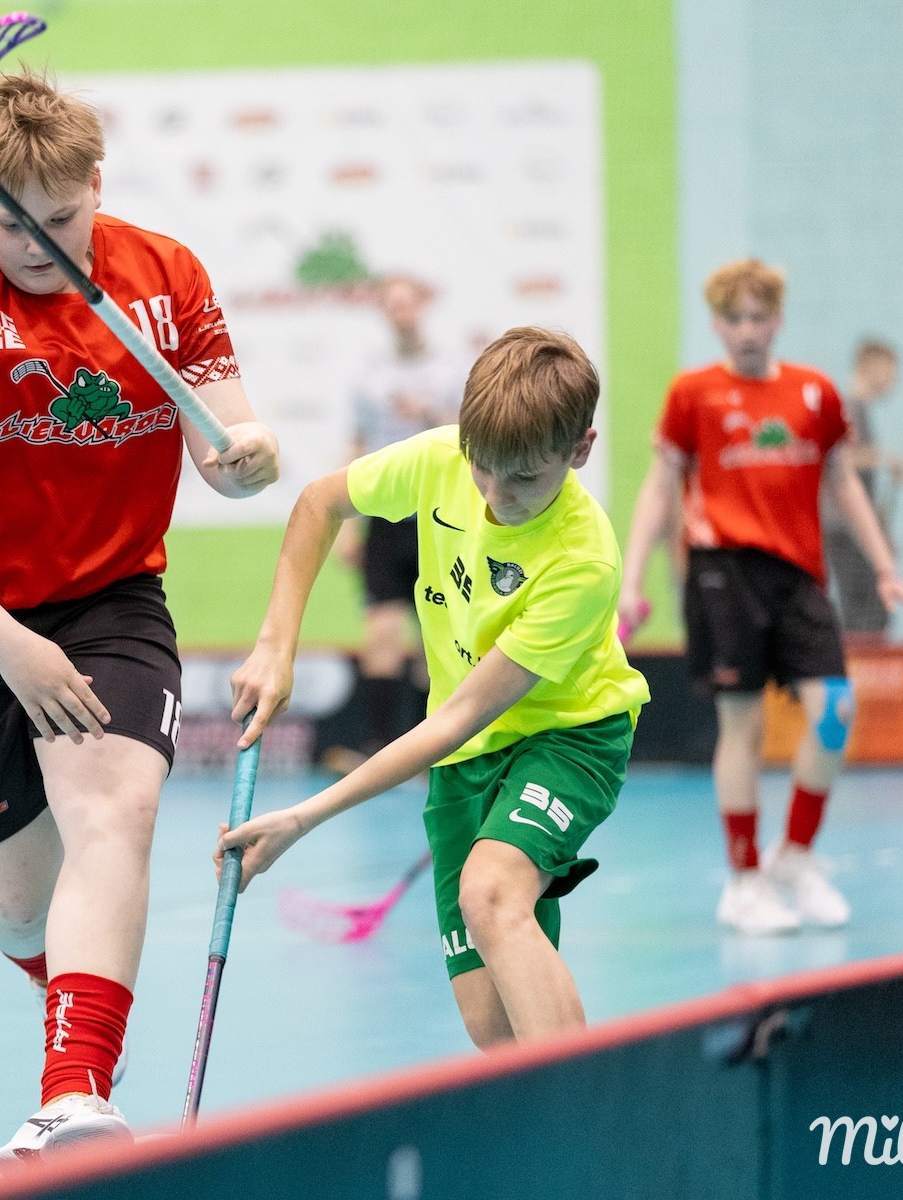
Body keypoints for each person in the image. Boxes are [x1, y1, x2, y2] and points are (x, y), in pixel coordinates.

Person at [0, 72, 279, 1168]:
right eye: (9, 223)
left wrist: (248, 458)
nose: (37, 244)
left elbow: (226, 445)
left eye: (61, 218)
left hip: (108, 599)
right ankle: (76, 1001)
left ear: (96, 182)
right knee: (16, 906)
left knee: (114, 812)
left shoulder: (166, 278)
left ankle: (74, 1091)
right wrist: (8, 644)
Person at [222, 327, 647, 1048]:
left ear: (580, 449)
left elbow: (453, 720)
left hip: (567, 737)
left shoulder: (583, 561)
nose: (496, 497)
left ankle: (589, 1101)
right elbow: (319, 504)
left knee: (491, 893)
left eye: (524, 478)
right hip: (466, 754)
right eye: (484, 469)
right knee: (490, 1027)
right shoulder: (441, 457)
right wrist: (275, 645)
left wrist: (301, 818)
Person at [619, 260, 903, 936]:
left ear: (778, 320)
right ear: (717, 324)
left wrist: (884, 568)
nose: (748, 330)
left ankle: (796, 855)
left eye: (759, 317)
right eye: (735, 318)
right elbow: (660, 488)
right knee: (744, 729)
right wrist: (632, 578)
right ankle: (743, 880)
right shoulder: (692, 393)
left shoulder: (815, 393)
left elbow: (843, 483)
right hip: (722, 573)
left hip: (798, 578)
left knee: (835, 710)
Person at [320, 274, 465, 775]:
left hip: (438, 517)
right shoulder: (371, 377)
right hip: (386, 519)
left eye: (409, 304)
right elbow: (358, 447)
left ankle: (433, 750)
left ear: (422, 305)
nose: (402, 313)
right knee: (381, 630)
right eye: (393, 306)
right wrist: (346, 525)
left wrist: (428, 413)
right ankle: (378, 749)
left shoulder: (451, 370)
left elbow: (472, 436)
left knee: (434, 636)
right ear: (384, 312)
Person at [823, 339, 903, 641]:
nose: (893, 380)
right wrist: (885, 460)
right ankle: (860, 665)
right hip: (844, 529)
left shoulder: (861, 411)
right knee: (862, 610)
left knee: (874, 609)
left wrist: (882, 533)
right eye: (890, 371)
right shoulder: (848, 408)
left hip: (856, 529)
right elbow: (838, 457)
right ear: (871, 366)